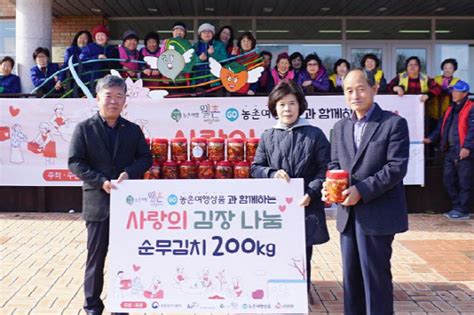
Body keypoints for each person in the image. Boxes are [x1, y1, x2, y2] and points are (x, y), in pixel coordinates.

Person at [322, 69, 410, 314]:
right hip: (348, 215)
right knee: (351, 280)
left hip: (378, 214)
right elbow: (334, 165)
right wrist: (331, 187)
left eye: (360, 88)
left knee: (375, 279)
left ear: (374, 88)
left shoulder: (393, 123)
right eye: (348, 90)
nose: (355, 95)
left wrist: (361, 190)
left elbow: (396, 167)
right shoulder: (340, 127)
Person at [68, 75, 152, 315]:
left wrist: (128, 173)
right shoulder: (84, 128)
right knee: (96, 257)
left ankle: (121, 302)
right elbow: (75, 162)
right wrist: (100, 181)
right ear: (97, 99)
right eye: (108, 96)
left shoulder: (133, 130)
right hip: (97, 201)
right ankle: (92, 305)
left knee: (124, 257)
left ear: (125, 100)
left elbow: (145, 158)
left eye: (119, 96)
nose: (113, 101)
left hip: (127, 205)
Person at [251, 80, 330, 305]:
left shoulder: (315, 134)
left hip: (306, 203)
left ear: (300, 105)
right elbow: (255, 168)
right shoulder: (268, 136)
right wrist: (271, 173)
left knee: (303, 253)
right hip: (277, 209)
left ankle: (300, 295)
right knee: (277, 251)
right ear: (274, 107)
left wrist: (312, 192)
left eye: (292, 103)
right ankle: (279, 294)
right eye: (282, 104)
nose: (287, 109)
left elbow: (325, 168)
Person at [424, 80, 473, 220]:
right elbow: (441, 127)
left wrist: (467, 147)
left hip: (463, 150)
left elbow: (472, 130)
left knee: (464, 181)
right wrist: (430, 139)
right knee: (448, 180)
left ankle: (463, 210)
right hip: (450, 150)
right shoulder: (450, 108)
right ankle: (457, 207)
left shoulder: (471, 108)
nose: (453, 93)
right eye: (453, 90)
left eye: (457, 91)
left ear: (464, 94)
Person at [427, 58, 461, 132]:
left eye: (450, 68)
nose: (447, 70)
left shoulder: (457, 82)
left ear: (454, 70)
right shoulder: (435, 79)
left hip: (449, 114)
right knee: (432, 134)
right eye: (445, 68)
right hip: (433, 113)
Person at [192, 23, 227, 87]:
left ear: (213, 34)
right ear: (200, 34)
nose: (206, 33)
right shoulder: (195, 46)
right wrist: (199, 59)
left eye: (209, 31)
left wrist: (213, 54)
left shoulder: (220, 45)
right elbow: (190, 64)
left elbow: (225, 61)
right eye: (204, 31)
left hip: (215, 82)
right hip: (198, 82)